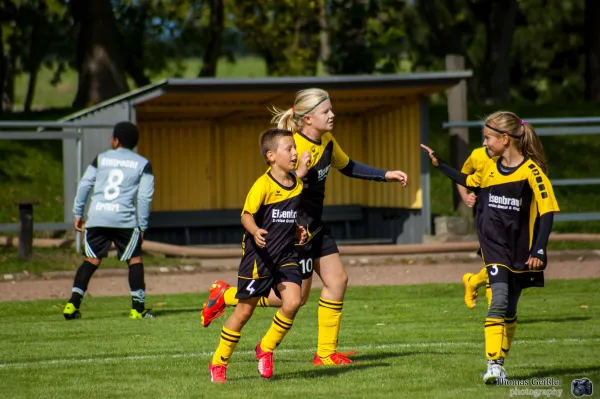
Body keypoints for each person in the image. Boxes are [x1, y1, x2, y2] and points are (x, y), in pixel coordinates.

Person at [202, 88, 409, 366]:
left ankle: (325, 353)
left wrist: (386, 175)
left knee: (338, 282)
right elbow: (273, 190)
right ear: (308, 118)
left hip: (316, 227)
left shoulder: (327, 141)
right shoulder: (292, 147)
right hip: (294, 234)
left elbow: (347, 166)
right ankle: (226, 296)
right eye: (326, 112)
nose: (332, 115)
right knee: (294, 300)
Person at [421, 111, 559, 384]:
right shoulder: (489, 166)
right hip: (492, 244)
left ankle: (500, 361)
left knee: (510, 310)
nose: (484, 144)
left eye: (487, 138)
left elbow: (547, 212)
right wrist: (441, 165)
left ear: (505, 139)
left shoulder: (532, 171)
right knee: (498, 300)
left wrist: (539, 250)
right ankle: (493, 365)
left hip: (520, 248)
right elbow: (469, 181)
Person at [209, 128, 308, 383]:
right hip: (259, 258)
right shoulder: (262, 184)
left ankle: (265, 348)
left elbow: (287, 217)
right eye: (290, 149)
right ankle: (219, 363)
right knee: (243, 313)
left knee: (294, 301)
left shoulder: (297, 185)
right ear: (271, 156)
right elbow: (245, 215)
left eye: (295, 148)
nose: (295, 153)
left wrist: (297, 231)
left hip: (285, 255)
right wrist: (254, 231)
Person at [63, 121, 155, 320]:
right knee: (135, 260)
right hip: (124, 220)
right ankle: (137, 309)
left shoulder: (101, 159)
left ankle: (72, 304)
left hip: (98, 217)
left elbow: (85, 184)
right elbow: (145, 197)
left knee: (91, 260)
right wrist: (143, 225)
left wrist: (78, 213)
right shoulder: (142, 163)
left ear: (115, 141)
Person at [458, 146, 496, 310]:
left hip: (510, 216)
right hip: (486, 214)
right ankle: (495, 313)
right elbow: (462, 177)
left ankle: (472, 282)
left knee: (504, 264)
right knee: (494, 263)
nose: (487, 141)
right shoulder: (477, 155)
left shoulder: (516, 157)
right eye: (486, 136)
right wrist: (466, 196)